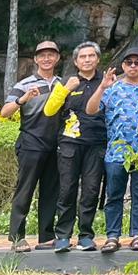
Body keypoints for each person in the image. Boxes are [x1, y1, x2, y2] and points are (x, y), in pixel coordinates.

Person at [85, 46, 138, 253]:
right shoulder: (112, 89)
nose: (133, 66)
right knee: (114, 195)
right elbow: (90, 110)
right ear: (123, 65)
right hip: (116, 151)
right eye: (129, 62)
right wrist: (102, 87)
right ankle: (112, 236)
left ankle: (137, 235)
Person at [2, 40, 64, 252]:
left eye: (51, 55)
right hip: (30, 143)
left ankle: (46, 237)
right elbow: (5, 112)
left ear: (57, 58)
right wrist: (23, 99)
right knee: (25, 189)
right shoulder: (24, 84)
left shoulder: (62, 84)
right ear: (36, 59)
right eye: (42, 55)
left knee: (51, 192)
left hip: (55, 144)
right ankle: (17, 237)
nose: (47, 59)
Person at [44, 41, 107, 252]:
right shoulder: (67, 82)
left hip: (96, 144)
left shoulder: (106, 81)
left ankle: (86, 236)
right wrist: (65, 90)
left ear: (98, 59)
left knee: (91, 190)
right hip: (69, 144)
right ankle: (63, 235)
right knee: (67, 189)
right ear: (75, 61)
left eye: (91, 56)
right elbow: (49, 110)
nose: (87, 60)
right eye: (83, 57)